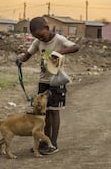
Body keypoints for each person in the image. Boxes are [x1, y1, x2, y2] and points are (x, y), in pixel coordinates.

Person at [16, 17, 80, 155]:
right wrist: (20, 59)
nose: (41, 39)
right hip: (43, 82)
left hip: (56, 81)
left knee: (54, 111)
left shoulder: (59, 40)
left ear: (47, 27)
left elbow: (75, 47)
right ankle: (46, 141)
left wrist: (59, 53)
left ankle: (53, 144)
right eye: (37, 37)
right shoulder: (37, 42)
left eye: (41, 35)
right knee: (45, 113)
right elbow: (28, 55)